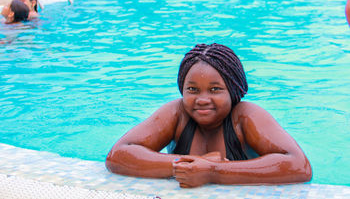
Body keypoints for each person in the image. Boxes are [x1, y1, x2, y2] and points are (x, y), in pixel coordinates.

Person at [105, 43, 312, 188]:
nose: (202, 99)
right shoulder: (177, 113)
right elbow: (119, 154)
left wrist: (213, 171)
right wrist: (190, 164)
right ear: (182, 90)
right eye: (193, 90)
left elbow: (298, 166)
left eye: (214, 90)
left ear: (233, 91)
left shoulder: (246, 116)